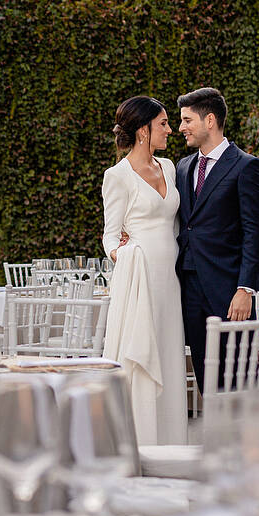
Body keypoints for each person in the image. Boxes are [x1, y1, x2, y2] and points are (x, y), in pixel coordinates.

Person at [101, 96, 187, 446]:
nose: (170, 129)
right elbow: (110, 234)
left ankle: (171, 444)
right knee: (142, 362)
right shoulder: (117, 176)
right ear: (143, 131)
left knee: (168, 357)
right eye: (163, 123)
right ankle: (142, 445)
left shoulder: (169, 167)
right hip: (139, 282)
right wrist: (122, 253)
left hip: (171, 281)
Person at [174, 87, 259, 393]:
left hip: (230, 292)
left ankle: (247, 440)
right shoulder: (183, 167)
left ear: (209, 120)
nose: (181, 128)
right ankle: (215, 440)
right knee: (206, 381)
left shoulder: (245, 166)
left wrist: (245, 289)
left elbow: (255, 232)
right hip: (190, 289)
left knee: (239, 381)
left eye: (187, 120)